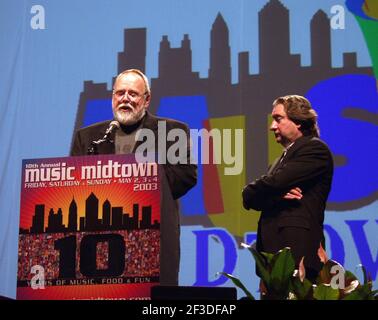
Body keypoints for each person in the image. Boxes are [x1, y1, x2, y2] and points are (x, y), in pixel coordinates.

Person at [71, 69, 197, 285]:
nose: (125, 99)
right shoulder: (89, 137)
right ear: (112, 98)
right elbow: (71, 184)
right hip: (98, 238)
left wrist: (140, 178)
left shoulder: (172, 131)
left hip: (152, 238)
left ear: (146, 100)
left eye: (133, 94)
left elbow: (186, 176)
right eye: (120, 93)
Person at [242, 95, 333, 281]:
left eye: (278, 119)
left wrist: (267, 191)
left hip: (297, 256)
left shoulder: (314, 149)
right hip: (273, 260)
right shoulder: (278, 162)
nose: (272, 126)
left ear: (298, 121)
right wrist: (275, 195)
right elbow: (252, 197)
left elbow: (273, 184)